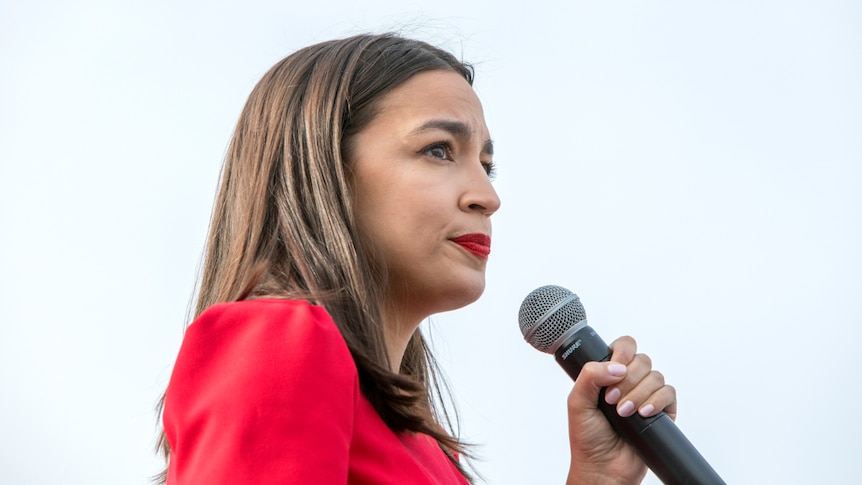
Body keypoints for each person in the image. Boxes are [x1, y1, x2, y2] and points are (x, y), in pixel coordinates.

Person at [156, 32, 677, 484]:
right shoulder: (276, 340)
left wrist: (598, 479)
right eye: (438, 150)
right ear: (326, 170)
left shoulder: (426, 448)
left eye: (487, 166)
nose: (486, 197)